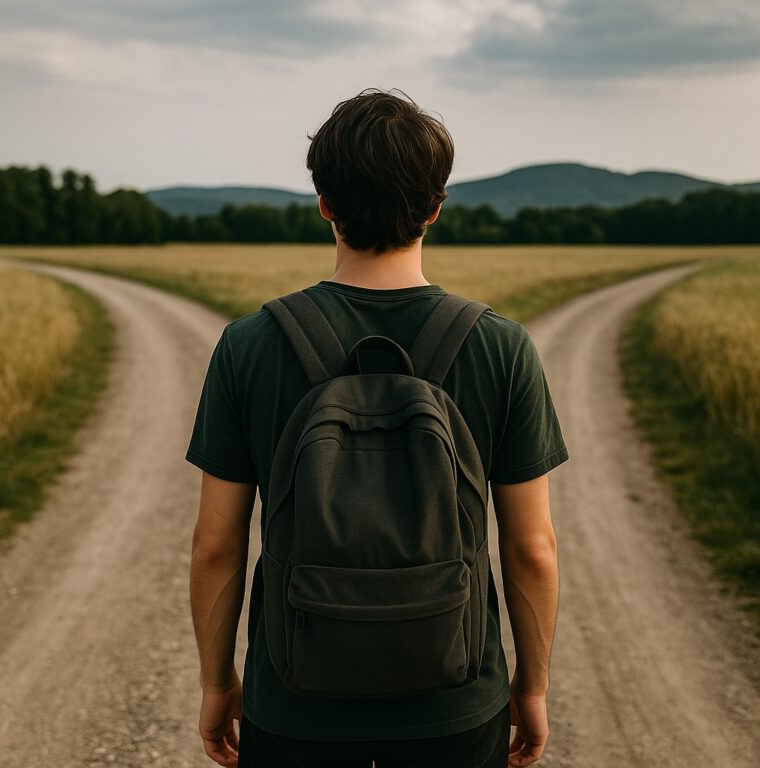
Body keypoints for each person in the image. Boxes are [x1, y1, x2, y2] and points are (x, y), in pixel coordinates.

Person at [187, 87, 567, 768]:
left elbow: (217, 547)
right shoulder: (500, 347)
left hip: (295, 706)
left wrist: (219, 683)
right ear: (435, 206)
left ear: (324, 202)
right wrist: (532, 688)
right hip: (454, 707)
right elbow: (532, 549)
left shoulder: (249, 345)